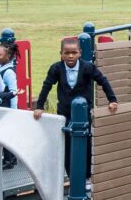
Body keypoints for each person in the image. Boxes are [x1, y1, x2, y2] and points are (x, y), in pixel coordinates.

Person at [33, 37, 118, 175]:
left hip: (84, 113)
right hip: (65, 112)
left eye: (74, 52)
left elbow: (103, 81)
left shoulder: (88, 67)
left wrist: (112, 99)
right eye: (66, 53)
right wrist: (40, 106)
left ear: (80, 53)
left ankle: (87, 176)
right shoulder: (56, 68)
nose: (70, 56)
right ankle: (71, 174)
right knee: (66, 143)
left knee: (86, 142)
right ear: (61, 53)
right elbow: (47, 86)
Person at [0, 43, 20, 170]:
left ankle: (10, 159)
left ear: (8, 56)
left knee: (6, 135)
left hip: (8, 107)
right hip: (3, 106)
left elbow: (13, 92)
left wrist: (13, 111)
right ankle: (10, 158)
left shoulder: (8, 72)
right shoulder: (0, 68)